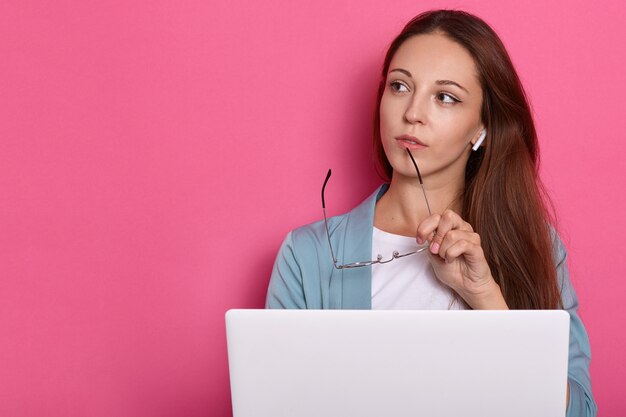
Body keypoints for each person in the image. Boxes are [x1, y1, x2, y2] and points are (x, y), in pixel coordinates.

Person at [265, 9, 596, 416]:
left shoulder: (535, 244)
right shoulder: (306, 257)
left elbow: (578, 411)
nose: (412, 113)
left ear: (481, 129)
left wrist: (486, 298)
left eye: (445, 97)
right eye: (400, 86)